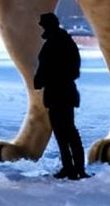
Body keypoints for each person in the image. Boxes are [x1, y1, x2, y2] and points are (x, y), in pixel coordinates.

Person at [33, 12, 86, 180]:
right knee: (66, 132)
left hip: (58, 93)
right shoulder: (65, 41)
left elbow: (45, 68)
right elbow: (74, 69)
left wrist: (41, 80)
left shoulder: (53, 44)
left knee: (65, 132)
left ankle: (73, 168)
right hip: (65, 92)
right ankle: (73, 167)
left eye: (43, 25)